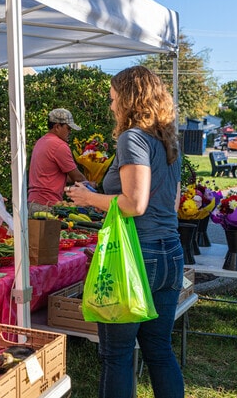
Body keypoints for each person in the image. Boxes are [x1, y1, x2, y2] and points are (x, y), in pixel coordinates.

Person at [66, 66, 184, 398]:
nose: (111, 105)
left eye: (114, 98)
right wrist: (99, 197)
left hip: (137, 256)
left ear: (129, 99)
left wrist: (88, 197)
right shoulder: (169, 138)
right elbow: (171, 204)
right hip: (170, 253)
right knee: (159, 349)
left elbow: (135, 204)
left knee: (116, 355)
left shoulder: (133, 138)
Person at [27, 108, 87, 214]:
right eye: (68, 128)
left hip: (32, 203)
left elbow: (53, 175)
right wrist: (90, 184)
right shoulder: (59, 145)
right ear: (57, 127)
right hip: (47, 205)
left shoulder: (41, 142)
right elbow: (77, 177)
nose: (70, 132)